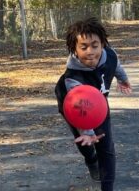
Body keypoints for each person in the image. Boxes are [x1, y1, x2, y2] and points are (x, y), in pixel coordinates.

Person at [55, 17, 132, 191]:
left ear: (103, 44)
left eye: (95, 46)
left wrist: (123, 79)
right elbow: (81, 112)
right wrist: (88, 133)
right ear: (74, 49)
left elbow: (116, 64)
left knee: (106, 148)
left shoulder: (110, 54)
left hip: (99, 104)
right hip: (73, 106)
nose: (90, 51)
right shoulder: (72, 78)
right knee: (85, 142)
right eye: (83, 47)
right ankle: (90, 160)